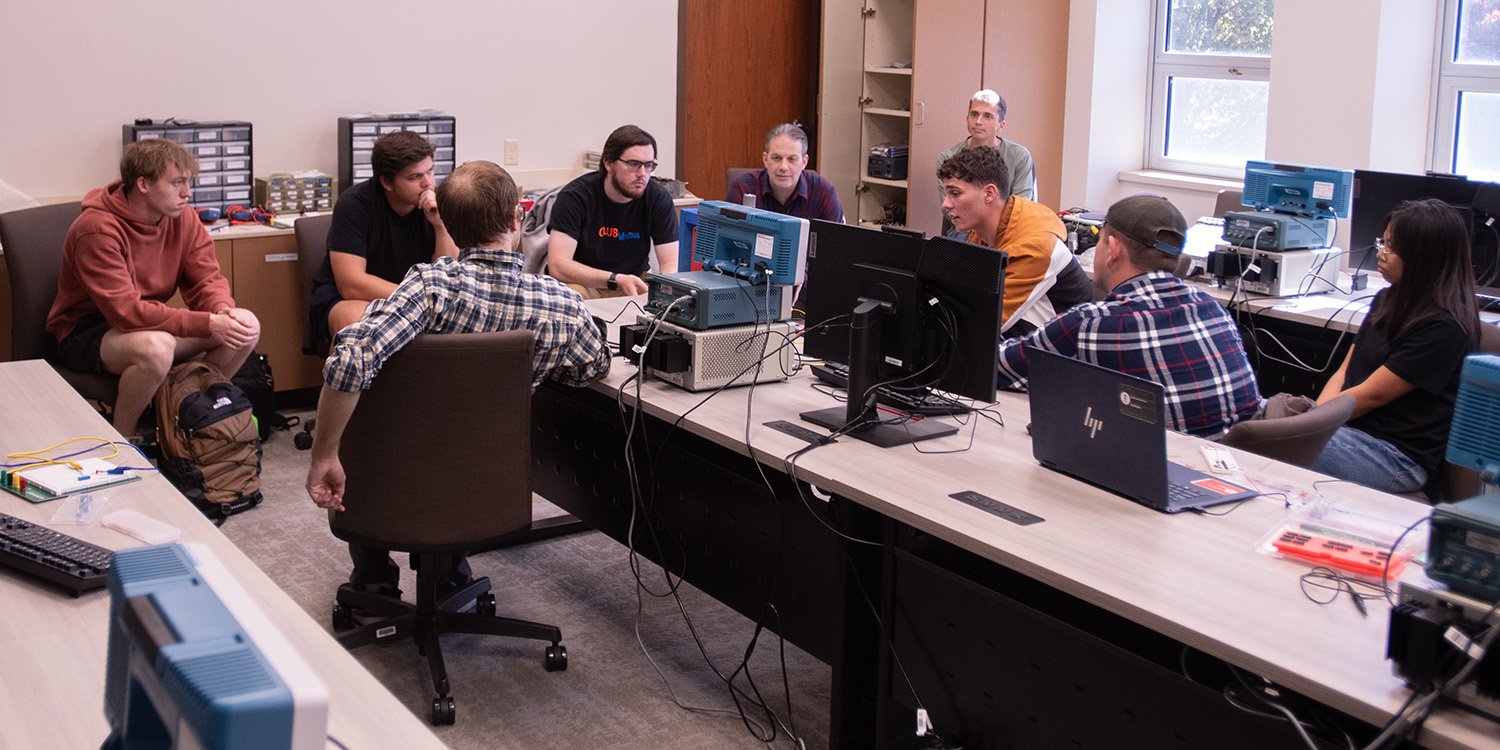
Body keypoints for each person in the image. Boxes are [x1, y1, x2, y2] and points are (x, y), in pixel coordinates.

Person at [306, 159, 610, 601]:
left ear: (447, 223)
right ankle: (448, 573)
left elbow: (349, 363)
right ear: (516, 219)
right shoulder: (560, 303)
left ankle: (374, 578)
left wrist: (324, 455)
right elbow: (591, 368)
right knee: (470, 445)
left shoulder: (428, 288)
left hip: (395, 468)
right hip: (488, 477)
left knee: (372, 423)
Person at [995, 194, 1262, 440]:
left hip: (1152, 469)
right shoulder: (1214, 310)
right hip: (1234, 464)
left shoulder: (1092, 324)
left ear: (1113, 250)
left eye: (1099, 241)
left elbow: (994, 365)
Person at [47, 139, 260, 437]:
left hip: (148, 324)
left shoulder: (182, 216)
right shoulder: (96, 228)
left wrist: (222, 310)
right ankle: (123, 439)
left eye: (188, 182)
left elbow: (206, 279)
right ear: (143, 184)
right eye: (177, 183)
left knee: (245, 327)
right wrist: (208, 323)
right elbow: (126, 312)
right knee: (157, 349)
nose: (187, 193)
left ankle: (183, 419)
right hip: (86, 332)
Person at [1312, 198, 1481, 494]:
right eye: (1383, 242)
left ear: (1423, 256)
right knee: (1262, 422)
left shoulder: (1446, 326)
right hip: (1348, 432)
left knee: (1277, 444)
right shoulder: (1386, 298)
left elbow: (1372, 395)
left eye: (1391, 247)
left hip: (1395, 457)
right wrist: (1312, 418)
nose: (1381, 253)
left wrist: (1308, 427)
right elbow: (1344, 372)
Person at [308, 130, 459, 346]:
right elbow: (351, 284)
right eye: (415, 177)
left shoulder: (436, 205)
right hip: (352, 297)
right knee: (356, 322)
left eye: (430, 171)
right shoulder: (354, 205)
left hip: (415, 297)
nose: (428, 183)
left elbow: (447, 274)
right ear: (387, 182)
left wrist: (440, 225)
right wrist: (417, 298)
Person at [938, 145, 1092, 335]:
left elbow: (986, 323)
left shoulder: (1035, 246)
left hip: (1062, 346)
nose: (946, 204)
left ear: (989, 193)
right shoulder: (985, 228)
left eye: (955, 193)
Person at [547, 125, 679, 298]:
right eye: (633, 164)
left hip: (634, 281)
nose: (642, 174)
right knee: (572, 297)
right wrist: (615, 279)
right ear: (608, 163)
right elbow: (558, 266)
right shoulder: (575, 197)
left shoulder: (658, 198)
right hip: (584, 283)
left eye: (648, 165)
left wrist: (664, 296)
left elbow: (670, 266)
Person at [937, 89, 1035, 236]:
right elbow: (949, 208)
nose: (978, 121)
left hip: (1006, 229)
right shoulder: (948, 157)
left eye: (987, 116)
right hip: (966, 230)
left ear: (1001, 125)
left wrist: (991, 225)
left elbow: (1021, 206)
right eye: (974, 114)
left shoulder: (1019, 156)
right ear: (967, 119)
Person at [725, 123, 844, 222]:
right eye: (776, 158)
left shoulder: (824, 192)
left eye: (791, 159)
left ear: (804, 162)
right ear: (765, 159)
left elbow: (837, 241)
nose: (783, 167)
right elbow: (726, 237)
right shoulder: (743, 188)